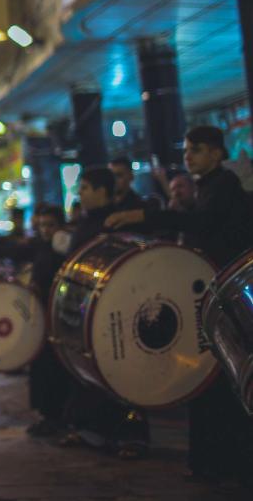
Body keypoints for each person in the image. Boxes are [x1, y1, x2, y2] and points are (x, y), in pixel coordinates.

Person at [107, 126, 253, 485]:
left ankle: (225, 465)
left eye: (197, 150)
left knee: (219, 386)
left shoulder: (224, 187)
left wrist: (145, 216)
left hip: (226, 298)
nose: (189, 156)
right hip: (212, 293)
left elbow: (202, 224)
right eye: (187, 149)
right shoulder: (208, 187)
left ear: (217, 154)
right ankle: (210, 463)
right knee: (206, 385)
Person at [61, 166, 150, 459]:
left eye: (85, 188)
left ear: (102, 191)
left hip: (116, 310)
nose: (80, 194)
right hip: (85, 312)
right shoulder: (87, 223)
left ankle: (130, 435)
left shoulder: (117, 222)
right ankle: (92, 430)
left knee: (121, 372)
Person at [26, 204, 73, 437]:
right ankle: (46, 416)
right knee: (41, 367)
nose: (45, 230)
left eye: (50, 225)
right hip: (41, 315)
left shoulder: (63, 247)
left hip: (55, 315)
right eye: (42, 225)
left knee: (54, 368)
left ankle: (57, 417)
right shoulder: (42, 247)